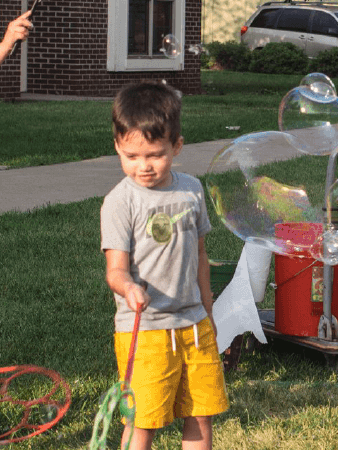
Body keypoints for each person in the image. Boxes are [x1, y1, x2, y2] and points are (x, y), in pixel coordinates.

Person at [101, 82, 229, 450]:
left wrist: (207, 309)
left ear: (176, 146)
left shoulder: (191, 190)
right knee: (144, 420)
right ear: (118, 147)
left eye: (155, 155)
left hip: (194, 326)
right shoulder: (119, 203)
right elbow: (116, 270)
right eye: (131, 156)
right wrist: (128, 287)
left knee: (200, 413)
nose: (143, 166)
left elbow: (201, 255)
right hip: (147, 332)